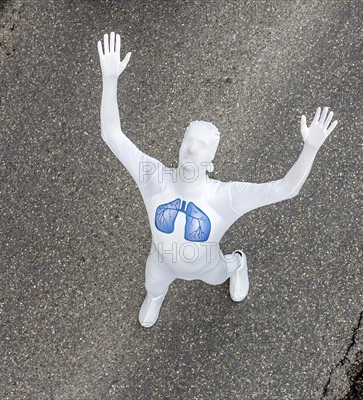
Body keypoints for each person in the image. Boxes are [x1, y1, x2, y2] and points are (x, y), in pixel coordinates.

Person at [97, 32, 338, 327]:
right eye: (188, 141)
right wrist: (110, 81)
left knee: (219, 274)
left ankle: (238, 263)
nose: (191, 149)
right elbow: (112, 135)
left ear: (211, 160)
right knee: (153, 283)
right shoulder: (153, 177)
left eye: (202, 146)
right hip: (161, 261)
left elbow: (286, 188)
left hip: (208, 266)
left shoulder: (225, 197)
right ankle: (157, 296)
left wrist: (310, 148)